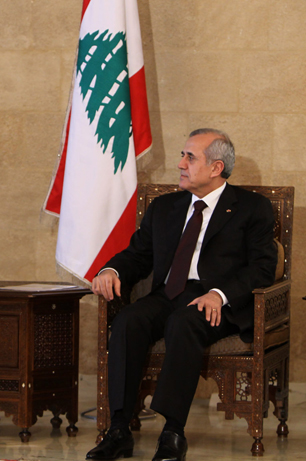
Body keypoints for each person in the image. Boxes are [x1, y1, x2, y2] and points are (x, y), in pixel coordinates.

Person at [86, 129, 277, 461]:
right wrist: (111, 270)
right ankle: (118, 429)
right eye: (182, 155)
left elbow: (262, 268)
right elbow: (138, 254)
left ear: (216, 167)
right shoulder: (165, 207)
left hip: (216, 302)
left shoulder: (251, 208)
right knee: (130, 319)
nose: (180, 164)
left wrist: (220, 294)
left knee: (183, 323)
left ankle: (173, 431)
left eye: (190, 157)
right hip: (168, 293)